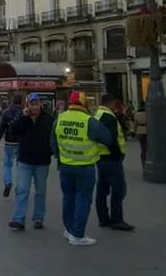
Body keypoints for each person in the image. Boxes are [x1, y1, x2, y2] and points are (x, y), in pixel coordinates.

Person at [52, 91, 111, 246]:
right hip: (85, 167)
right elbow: (107, 138)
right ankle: (78, 235)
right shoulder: (89, 121)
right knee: (83, 199)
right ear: (84, 104)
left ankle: (69, 229)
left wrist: (60, 158)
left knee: (68, 197)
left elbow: (53, 142)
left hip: (65, 165)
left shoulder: (60, 118)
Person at [8, 93, 54, 231]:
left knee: (40, 191)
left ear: (40, 104)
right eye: (31, 104)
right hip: (25, 160)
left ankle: (38, 217)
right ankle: (19, 219)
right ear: (27, 105)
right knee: (22, 190)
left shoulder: (48, 119)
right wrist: (23, 117)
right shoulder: (23, 118)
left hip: (42, 161)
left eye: (36, 103)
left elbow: (53, 136)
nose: (34, 106)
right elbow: (13, 130)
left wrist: (51, 151)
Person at [94, 93, 134, 232]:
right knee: (118, 189)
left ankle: (103, 219)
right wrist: (118, 154)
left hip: (100, 157)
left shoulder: (97, 114)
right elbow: (110, 138)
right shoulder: (108, 116)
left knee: (102, 189)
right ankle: (117, 219)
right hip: (111, 158)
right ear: (110, 103)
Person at [0, 95, 23, 197]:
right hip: (20, 142)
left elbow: (1, 128)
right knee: (21, 166)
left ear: (12, 101)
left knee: (7, 165)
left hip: (9, 142)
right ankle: (19, 187)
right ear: (21, 102)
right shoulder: (24, 112)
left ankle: (8, 182)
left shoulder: (6, 112)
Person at [133, 103, 147, 168]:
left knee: (143, 147)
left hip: (140, 131)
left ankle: (143, 162)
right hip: (147, 130)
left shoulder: (136, 114)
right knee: (149, 147)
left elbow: (135, 124)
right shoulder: (148, 113)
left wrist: (134, 131)